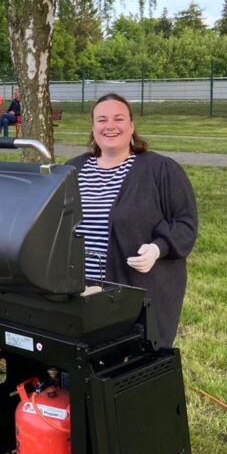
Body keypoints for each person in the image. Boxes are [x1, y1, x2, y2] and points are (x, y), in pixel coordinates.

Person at [68, 93, 198, 346]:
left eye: (119, 118)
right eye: (102, 119)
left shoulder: (160, 170)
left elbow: (186, 224)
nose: (110, 126)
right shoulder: (73, 170)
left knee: (125, 364)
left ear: (131, 126)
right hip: (80, 290)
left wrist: (158, 248)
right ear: (93, 127)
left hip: (133, 293)